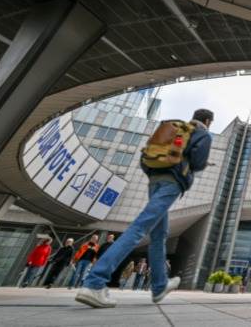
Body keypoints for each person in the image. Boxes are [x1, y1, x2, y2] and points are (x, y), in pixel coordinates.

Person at [77, 108, 213, 308]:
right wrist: (199, 164)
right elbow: (198, 162)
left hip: (154, 179)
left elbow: (149, 153)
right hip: (173, 182)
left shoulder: (175, 127)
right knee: (139, 228)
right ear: (208, 121)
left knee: (159, 235)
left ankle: (159, 286)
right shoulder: (202, 133)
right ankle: (94, 283)